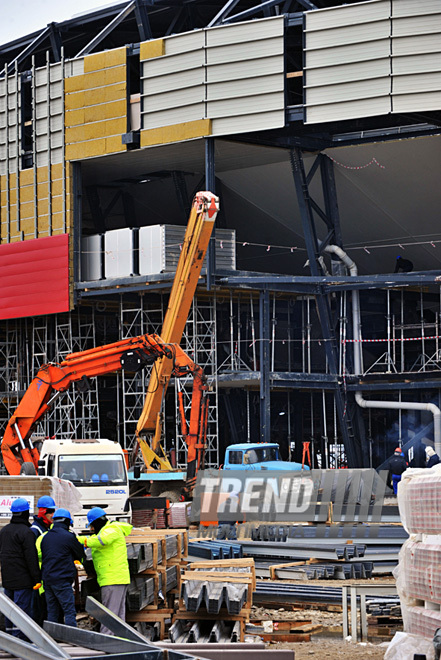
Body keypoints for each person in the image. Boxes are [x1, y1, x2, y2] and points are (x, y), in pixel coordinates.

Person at [78, 507, 132, 634]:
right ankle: (121, 640)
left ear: (96, 522)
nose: (92, 529)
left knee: (109, 614)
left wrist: (80, 540)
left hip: (112, 578)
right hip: (115, 577)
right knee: (118, 614)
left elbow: (101, 541)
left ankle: (106, 640)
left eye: (92, 526)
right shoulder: (108, 530)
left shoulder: (111, 530)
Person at [0, 498, 41, 639]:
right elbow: (31, 558)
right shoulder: (26, 532)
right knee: (22, 612)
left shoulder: (4, 531)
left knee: (10, 611)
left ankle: (11, 639)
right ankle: (21, 642)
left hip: (7, 579)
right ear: (25, 513)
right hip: (23, 581)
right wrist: (37, 578)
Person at [40, 508, 85, 627]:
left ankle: (52, 639)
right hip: (62, 580)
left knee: (52, 611)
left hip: (48, 580)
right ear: (67, 522)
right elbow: (80, 554)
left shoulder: (46, 537)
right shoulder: (68, 537)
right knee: (69, 611)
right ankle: (72, 638)